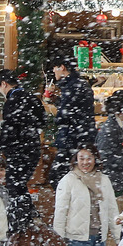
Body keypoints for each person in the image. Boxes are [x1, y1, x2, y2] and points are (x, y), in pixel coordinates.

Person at [0, 70, 46, 197]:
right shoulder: (32, 98)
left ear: (4, 84)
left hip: (18, 152)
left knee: (15, 187)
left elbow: (9, 129)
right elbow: (42, 121)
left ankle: (20, 208)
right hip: (33, 149)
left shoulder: (11, 102)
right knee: (20, 186)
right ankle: (25, 207)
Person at [47, 57, 95, 185]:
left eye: (54, 68)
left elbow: (65, 115)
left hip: (72, 138)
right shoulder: (80, 84)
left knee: (58, 176)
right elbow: (76, 109)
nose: (54, 71)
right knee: (76, 174)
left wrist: (55, 117)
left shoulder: (71, 86)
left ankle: (67, 197)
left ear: (62, 67)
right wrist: (57, 101)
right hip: (82, 136)